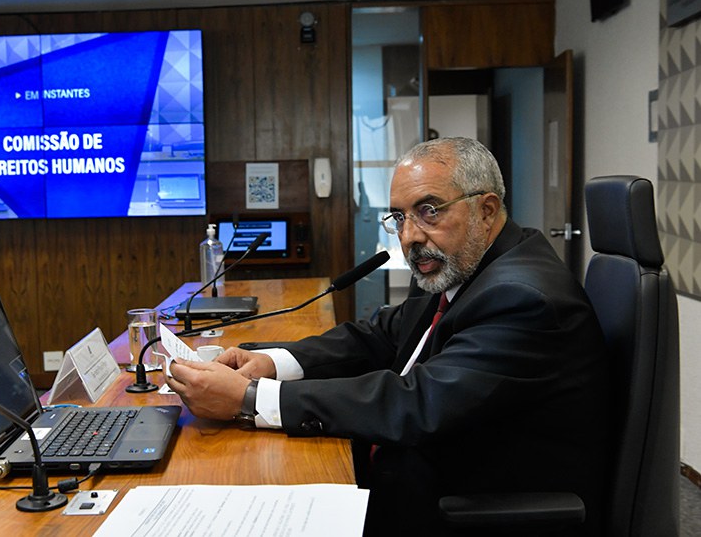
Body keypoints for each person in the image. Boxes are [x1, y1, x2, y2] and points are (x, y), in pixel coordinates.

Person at [167, 137, 609, 536]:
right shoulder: (460, 263)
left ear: (486, 210)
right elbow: (378, 337)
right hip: (426, 466)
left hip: (468, 501)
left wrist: (250, 398)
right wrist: (271, 362)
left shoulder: (523, 298)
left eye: (429, 211)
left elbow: (417, 402)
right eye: (399, 217)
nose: (410, 236)